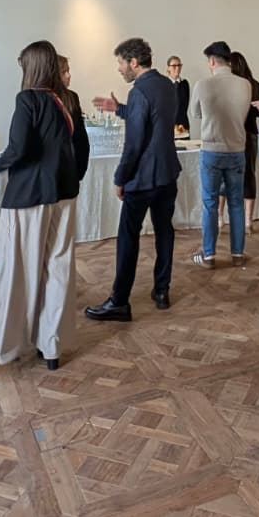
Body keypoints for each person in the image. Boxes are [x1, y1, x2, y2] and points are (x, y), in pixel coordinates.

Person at [0, 40, 88, 369]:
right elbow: (82, 148)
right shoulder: (70, 99)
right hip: (64, 194)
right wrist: (71, 179)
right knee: (58, 268)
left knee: (17, 269)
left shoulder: (27, 99)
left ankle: (6, 341)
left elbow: (19, 147)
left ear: (32, 67)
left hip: (28, 196)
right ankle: (51, 347)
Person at [86, 37, 180, 320]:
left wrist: (120, 177)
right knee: (164, 232)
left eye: (121, 63)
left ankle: (119, 301)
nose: (119, 69)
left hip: (142, 179)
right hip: (167, 174)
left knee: (128, 237)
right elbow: (154, 119)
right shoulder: (167, 85)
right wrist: (120, 109)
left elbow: (135, 143)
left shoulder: (139, 91)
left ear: (134, 62)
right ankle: (162, 291)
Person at [189, 41, 252, 268]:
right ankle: (237, 254)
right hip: (237, 149)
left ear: (212, 60)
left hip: (212, 150)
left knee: (210, 204)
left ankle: (208, 255)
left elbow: (194, 113)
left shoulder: (203, 84)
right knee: (236, 203)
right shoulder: (245, 84)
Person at [229, 50, 259, 228]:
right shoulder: (255, 84)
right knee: (249, 175)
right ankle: (248, 219)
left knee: (227, 174)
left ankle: (221, 217)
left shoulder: (231, 85)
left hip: (231, 134)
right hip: (251, 133)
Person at [167, 55, 190, 134]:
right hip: (168, 124)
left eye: (179, 65)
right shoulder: (164, 84)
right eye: (174, 66)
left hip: (183, 124)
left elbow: (185, 105)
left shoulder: (185, 83)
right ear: (168, 68)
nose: (177, 68)